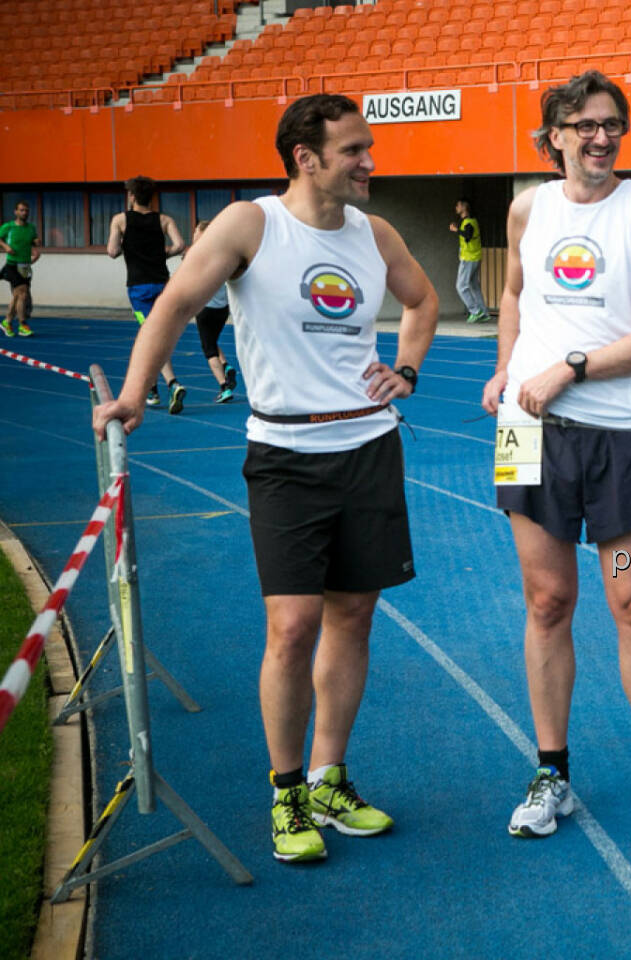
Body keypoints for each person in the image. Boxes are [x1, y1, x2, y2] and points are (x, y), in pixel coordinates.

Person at [92, 93, 439, 864]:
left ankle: (329, 778)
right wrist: (132, 391)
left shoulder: (373, 233)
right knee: (292, 628)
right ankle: (285, 794)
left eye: (368, 147)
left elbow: (423, 302)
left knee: (353, 617)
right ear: (306, 158)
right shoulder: (251, 225)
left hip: (368, 448)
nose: (370, 162)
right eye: (354, 150)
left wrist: (405, 370)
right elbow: (178, 304)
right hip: (284, 456)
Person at [481, 70, 631, 839]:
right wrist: (505, 366)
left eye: (610, 123)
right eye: (583, 124)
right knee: (547, 603)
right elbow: (514, 294)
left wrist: (570, 368)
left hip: (621, 430)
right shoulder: (527, 207)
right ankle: (552, 775)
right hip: (528, 433)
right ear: (553, 135)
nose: (599, 136)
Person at [107, 176, 188, 412]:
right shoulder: (164, 220)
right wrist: (164, 254)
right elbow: (181, 245)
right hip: (163, 285)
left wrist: (130, 248)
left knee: (150, 337)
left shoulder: (120, 220)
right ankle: (153, 390)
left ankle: (172, 383)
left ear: (131, 196)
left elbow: (112, 251)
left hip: (139, 289)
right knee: (155, 335)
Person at [188, 219, 240, 402]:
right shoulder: (221, 253)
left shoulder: (196, 254)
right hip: (222, 308)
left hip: (205, 308)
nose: (193, 233)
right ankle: (226, 366)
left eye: (196, 231)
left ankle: (224, 387)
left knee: (208, 349)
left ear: (201, 233)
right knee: (212, 340)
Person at [0, 200, 40, 338]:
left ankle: (7, 321)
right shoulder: (8, 227)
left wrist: (36, 246)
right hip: (12, 264)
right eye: (21, 210)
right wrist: (5, 247)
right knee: (21, 293)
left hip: (25, 265)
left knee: (20, 295)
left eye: (26, 210)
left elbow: (33, 242)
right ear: (15, 212)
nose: (24, 213)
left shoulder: (31, 228)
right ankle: (22, 324)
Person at [450, 197, 490, 323]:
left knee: (461, 286)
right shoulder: (468, 221)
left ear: (463, 207)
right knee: (473, 285)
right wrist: (459, 228)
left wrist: (457, 230)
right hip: (474, 257)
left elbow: (468, 234)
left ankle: (475, 311)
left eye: (458, 205)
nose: (456, 208)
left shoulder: (469, 223)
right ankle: (484, 313)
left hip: (469, 258)